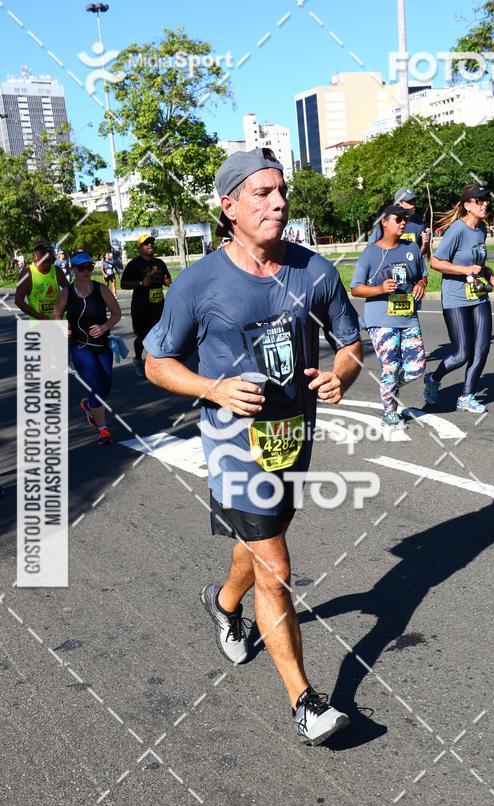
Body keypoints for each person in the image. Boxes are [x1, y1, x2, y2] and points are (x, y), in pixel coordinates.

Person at [144, 147, 363, 745]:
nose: (279, 202)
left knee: (261, 540)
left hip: (292, 437)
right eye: (263, 193)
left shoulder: (314, 271)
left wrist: (341, 375)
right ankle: (306, 700)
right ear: (230, 205)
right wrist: (212, 386)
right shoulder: (198, 283)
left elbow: (351, 342)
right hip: (233, 444)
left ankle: (221, 602)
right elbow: (156, 363)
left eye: (281, 190)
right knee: (277, 565)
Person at [423, 184, 494, 414]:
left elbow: (479, 265)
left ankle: (466, 396)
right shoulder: (457, 230)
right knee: (463, 353)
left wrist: (492, 279)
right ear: (467, 205)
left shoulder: (481, 229)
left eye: (485, 199)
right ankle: (433, 378)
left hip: (478, 296)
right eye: (479, 200)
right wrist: (464, 270)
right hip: (455, 299)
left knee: (481, 350)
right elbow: (435, 262)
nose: (484, 204)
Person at [350, 204, 427, 426]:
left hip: (408, 315)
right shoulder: (371, 252)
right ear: (384, 222)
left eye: (405, 219)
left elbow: (422, 275)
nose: (403, 222)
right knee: (391, 366)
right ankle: (389, 410)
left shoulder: (412, 248)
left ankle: (388, 385)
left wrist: (421, 283)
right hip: (380, 318)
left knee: (416, 368)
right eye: (398, 219)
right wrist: (380, 289)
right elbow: (356, 288)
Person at [52, 251, 122, 446]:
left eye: (89, 267)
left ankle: (89, 404)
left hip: (102, 346)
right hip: (80, 347)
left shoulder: (101, 290)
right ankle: (103, 431)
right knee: (95, 386)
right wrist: (60, 326)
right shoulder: (66, 293)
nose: (85, 271)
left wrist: (105, 327)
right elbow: (56, 316)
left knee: (105, 386)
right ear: (72, 269)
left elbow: (116, 313)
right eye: (81, 268)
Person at [120, 234, 171, 377]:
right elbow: (123, 284)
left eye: (151, 243)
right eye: (146, 243)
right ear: (140, 247)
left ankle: (158, 363)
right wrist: (141, 283)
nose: (150, 245)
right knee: (142, 337)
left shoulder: (160, 263)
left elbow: (166, 279)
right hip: (141, 307)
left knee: (161, 334)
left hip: (159, 305)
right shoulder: (134, 264)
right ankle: (138, 358)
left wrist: (168, 283)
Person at [369, 188, 431, 258]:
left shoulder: (419, 223)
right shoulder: (388, 221)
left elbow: (419, 255)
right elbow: (371, 247)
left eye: (414, 200)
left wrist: (425, 244)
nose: (413, 204)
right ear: (399, 203)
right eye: (409, 201)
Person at [15, 240, 69, 320]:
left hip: (58, 321)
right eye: (44, 254)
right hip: (38, 325)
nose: (47, 256)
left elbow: (69, 291)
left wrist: (62, 310)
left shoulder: (57, 271)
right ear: (35, 256)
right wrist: (40, 317)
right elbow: (19, 301)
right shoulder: (26, 273)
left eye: (50, 254)